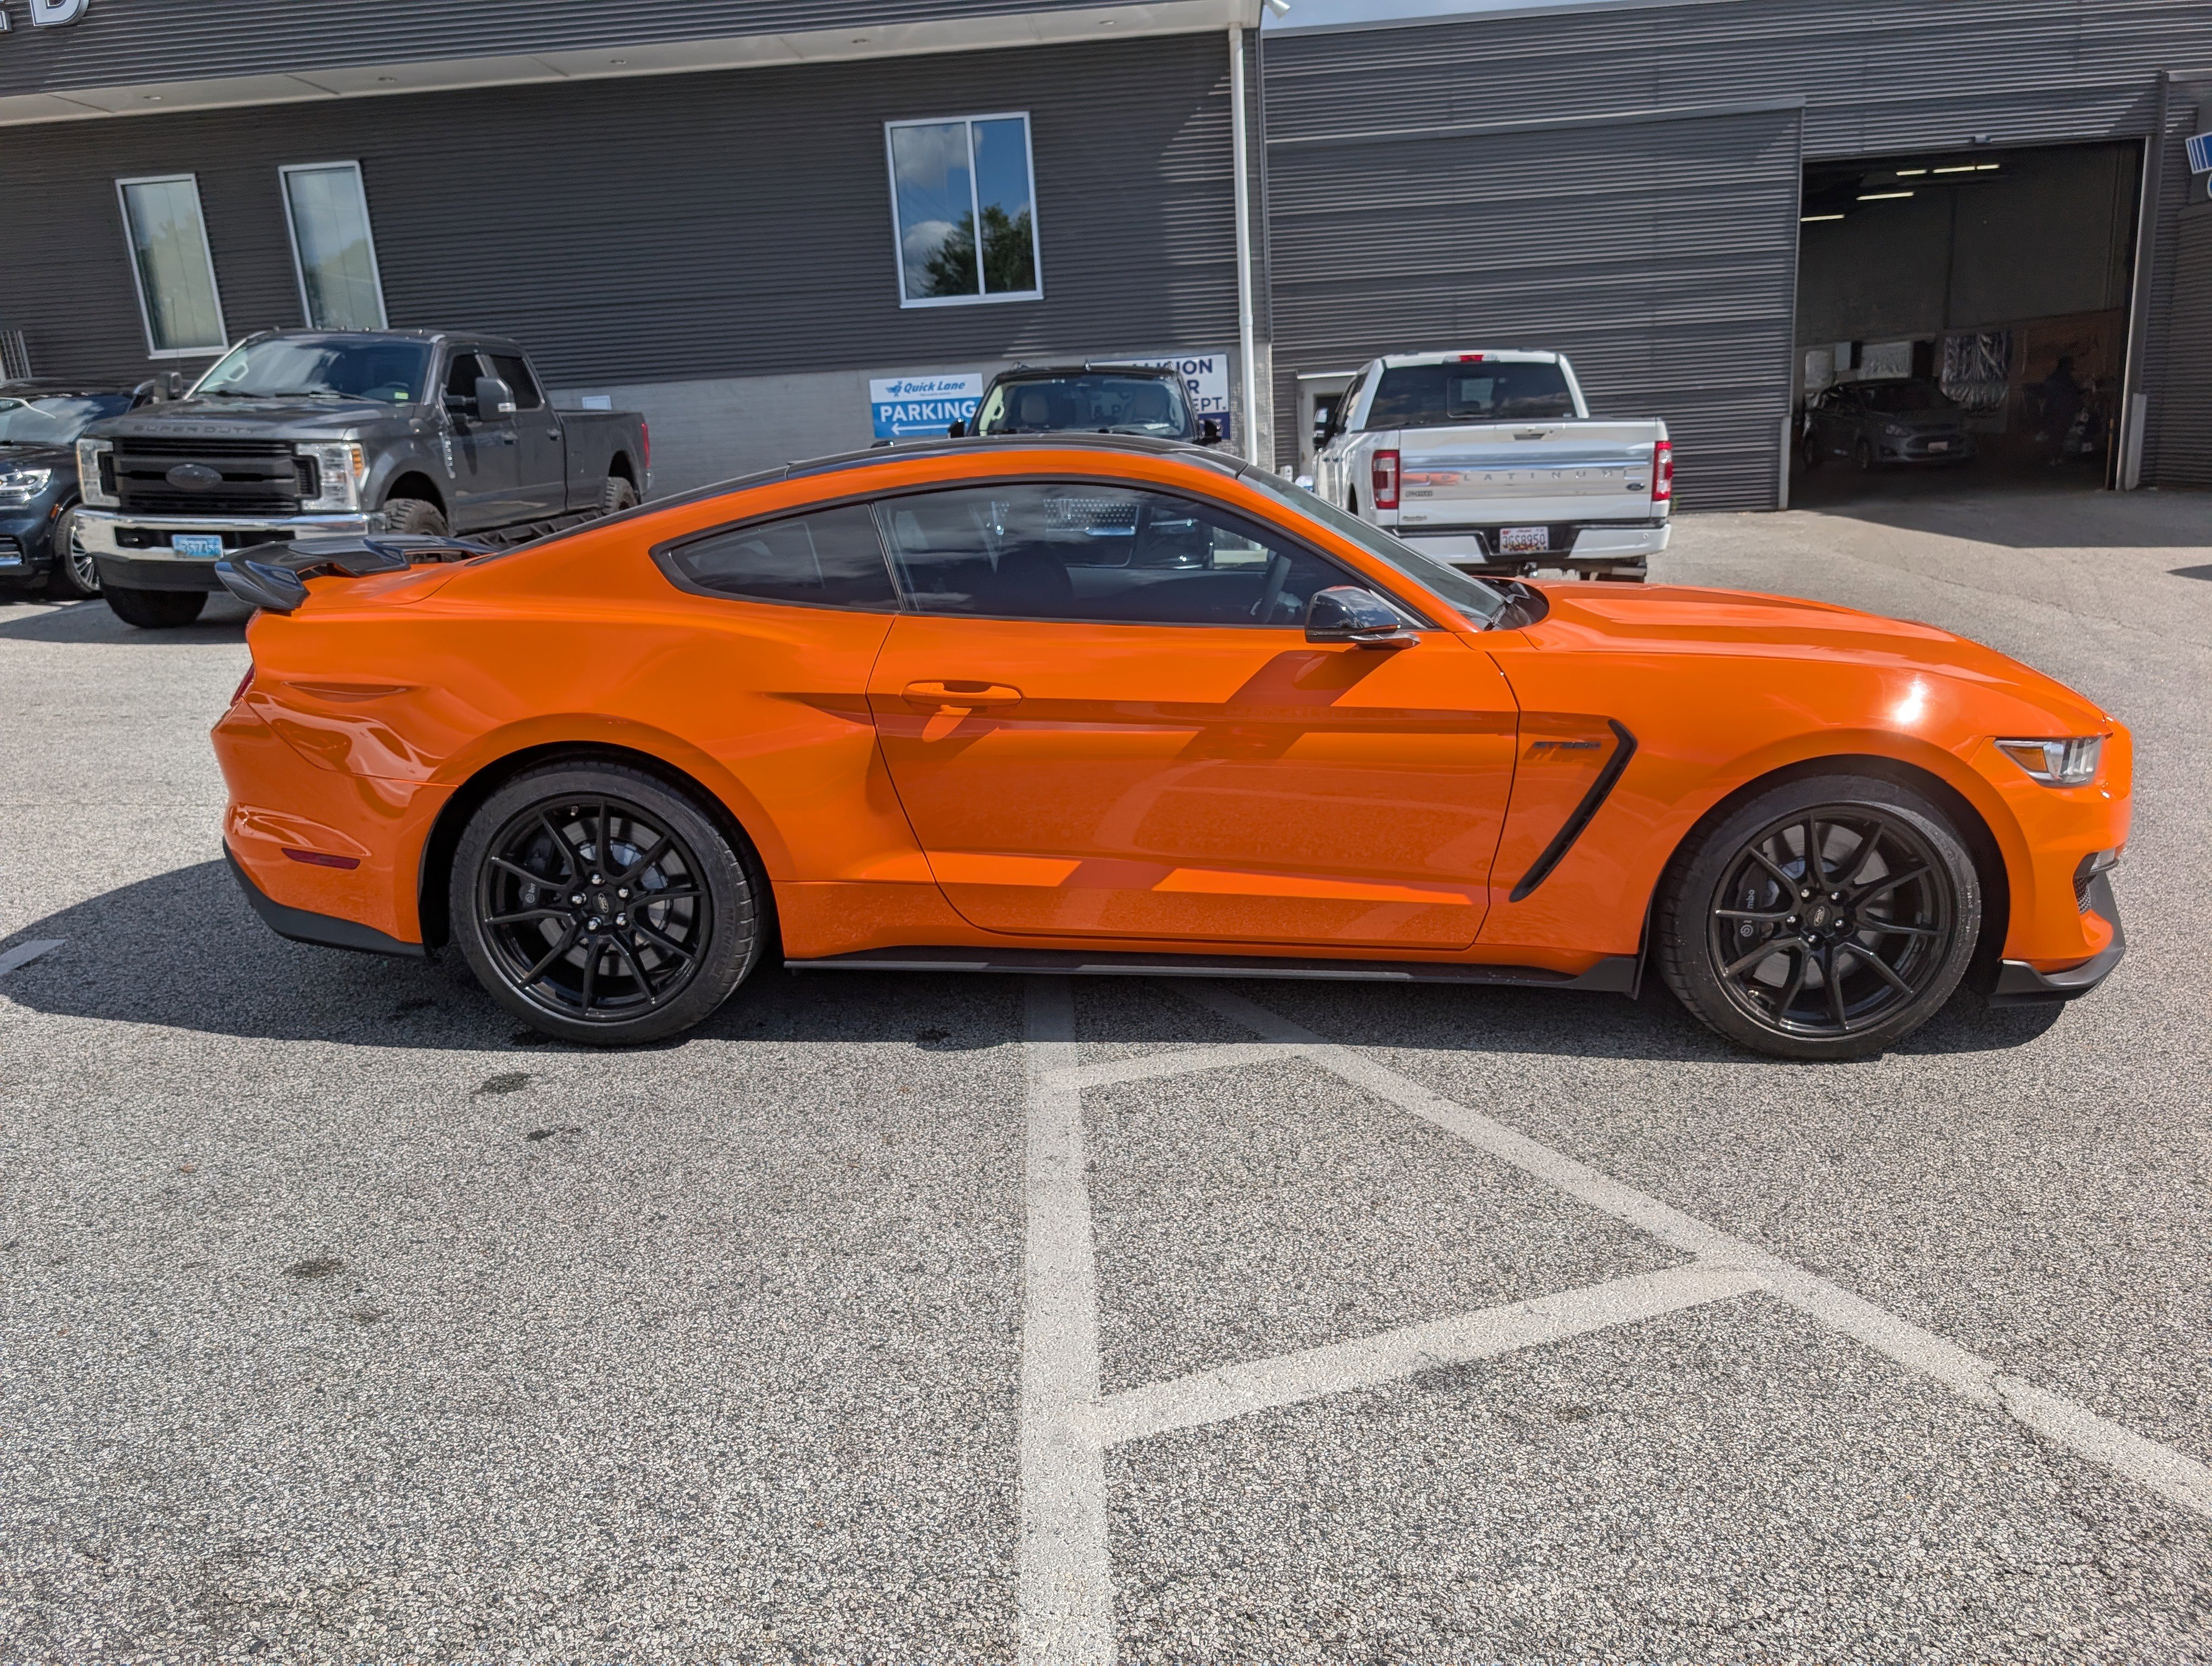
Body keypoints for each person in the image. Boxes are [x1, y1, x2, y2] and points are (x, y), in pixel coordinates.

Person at [2037, 356, 2083, 466]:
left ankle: (2052, 457)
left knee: (2054, 435)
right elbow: (2075, 393)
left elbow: (2045, 392)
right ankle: (2054, 457)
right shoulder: (2067, 379)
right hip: (2063, 411)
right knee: (2059, 436)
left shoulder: (2053, 378)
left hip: (2052, 410)